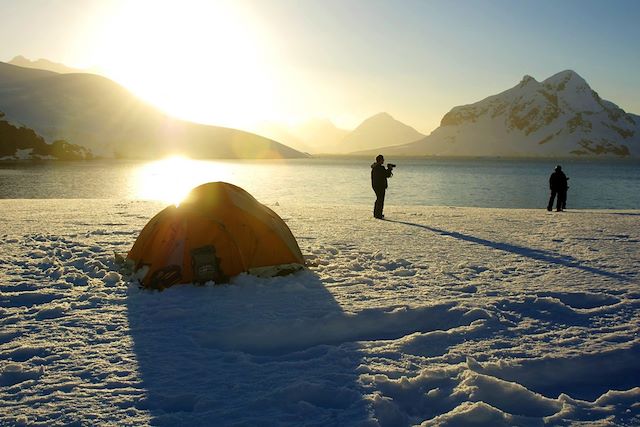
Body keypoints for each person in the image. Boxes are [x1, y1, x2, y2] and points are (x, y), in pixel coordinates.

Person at [371, 154, 394, 219]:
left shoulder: (375, 167)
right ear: (380, 160)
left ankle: (376, 213)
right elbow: (386, 175)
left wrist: (388, 170)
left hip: (375, 185)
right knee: (380, 200)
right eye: (382, 159)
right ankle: (378, 214)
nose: (383, 160)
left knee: (378, 199)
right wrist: (389, 169)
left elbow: (383, 174)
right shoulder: (380, 168)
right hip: (380, 186)